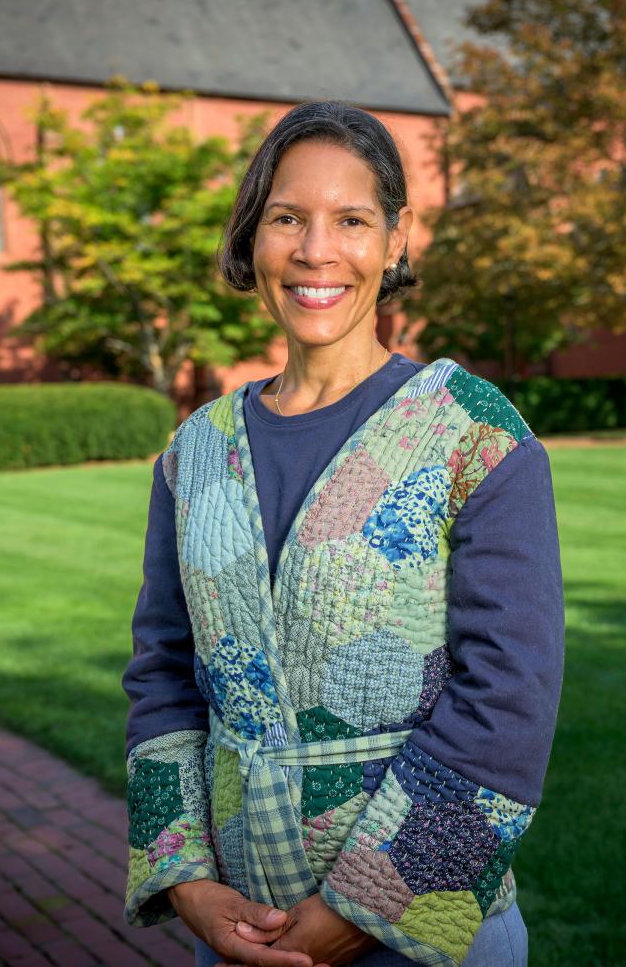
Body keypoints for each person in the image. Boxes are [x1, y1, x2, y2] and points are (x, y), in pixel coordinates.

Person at [122, 100, 565, 967]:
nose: (315, 251)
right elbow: (163, 675)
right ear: (253, 237)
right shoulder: (195, 453)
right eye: (287, 217)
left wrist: (362, 907)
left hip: (424, 936)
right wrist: (187, 883)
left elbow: (510, 693)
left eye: (352, 220)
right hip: (238, 934)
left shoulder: (474, 433)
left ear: (398, 239)